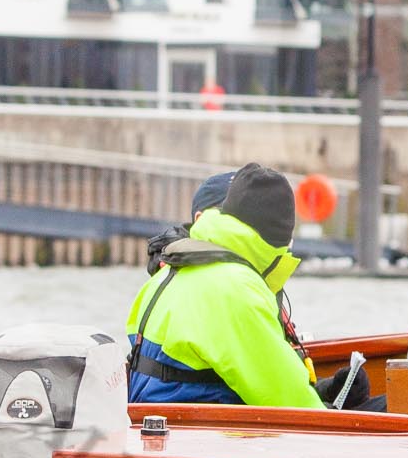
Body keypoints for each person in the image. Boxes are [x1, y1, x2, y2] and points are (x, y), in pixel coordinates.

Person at [127, 164, 372, 409]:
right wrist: (331, 406)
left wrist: (327, 391)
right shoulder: (236, 289)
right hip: (204, 436)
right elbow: (290, 402)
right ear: (279, 240)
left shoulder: (169, 272)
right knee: (382, 411)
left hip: (162, 428)